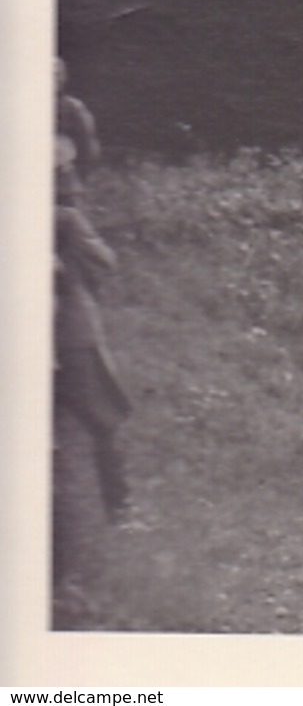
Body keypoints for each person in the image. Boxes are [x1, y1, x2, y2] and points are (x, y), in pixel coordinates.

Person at [53, 135, 132, 553]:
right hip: (71, 334)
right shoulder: (66, 219)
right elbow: (106, 260)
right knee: (104, 419)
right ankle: (119, 511)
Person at [55, 58, 101, 207]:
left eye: (57, 75)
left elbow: (88, 148)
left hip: (64, 181)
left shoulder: (73, 108)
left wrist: (79, 178)